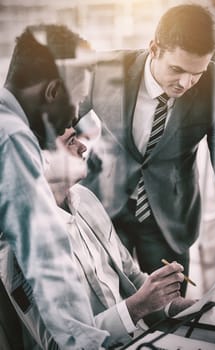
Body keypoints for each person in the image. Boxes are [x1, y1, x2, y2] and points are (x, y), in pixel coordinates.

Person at [78, 3, 215, 295]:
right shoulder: (102, 70)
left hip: (168, 219)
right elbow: (55, 127)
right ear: (154, 48)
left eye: (197, 73)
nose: (186, 83)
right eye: (177, 69)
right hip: (103, 208)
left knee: (167, 314)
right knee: (107, 303)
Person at [0, 29, 109, 349]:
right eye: (76, 101)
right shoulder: (12, 139)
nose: (74, 117)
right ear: (53, 91)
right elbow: (46, 258)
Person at [43, 126, 195, 348]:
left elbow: (130, 274)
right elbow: (58, 343)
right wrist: (136, 307)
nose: (83, 147)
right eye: (71, 142)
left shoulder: (85, 198)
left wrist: (171, 305)